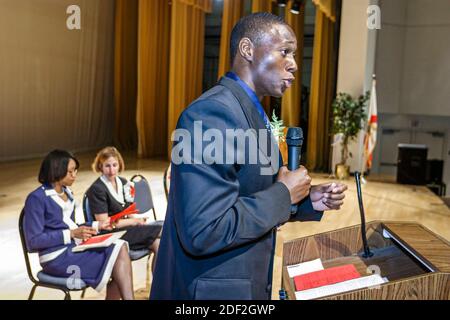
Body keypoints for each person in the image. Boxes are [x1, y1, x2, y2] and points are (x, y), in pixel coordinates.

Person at [150, 13, 347, 300]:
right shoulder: (211, 114)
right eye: (285, 52)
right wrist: (284, 194)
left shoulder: (252, 113)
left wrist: (306, 200)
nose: (293, 64)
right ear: (247, 50)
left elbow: (255, 193)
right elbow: (204, 230)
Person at [23, 150, 134, 300]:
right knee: (118, 261)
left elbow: (72, 226)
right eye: (70, 172)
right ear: (56, 170)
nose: (74, 175)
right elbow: (33, 242)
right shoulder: (36, 198)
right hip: (55, 259)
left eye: (75, 170)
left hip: (73, 249)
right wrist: (71, 234)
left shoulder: (67, 193)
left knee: (120, 248)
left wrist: (98, 226)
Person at [86, 146, 162, 273]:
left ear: (119, 164)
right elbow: (104, 224)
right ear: (100, 166)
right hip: (111, 234)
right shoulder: (97, 189)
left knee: (159, 244)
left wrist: (137, 220)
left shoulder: (123, 182)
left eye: (114, 165)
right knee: (165, 231)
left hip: (127, 229)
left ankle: (160, 287)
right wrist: (134, 222)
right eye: (107, 166)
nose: (111, 170)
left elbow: (129, 210)